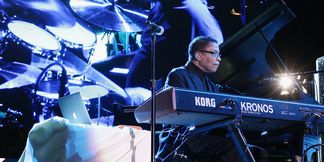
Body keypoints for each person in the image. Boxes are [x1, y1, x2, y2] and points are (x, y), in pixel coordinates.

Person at [156, 36, 269, 162]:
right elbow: (179, 113)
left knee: (260, 153)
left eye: (219, 54)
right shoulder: (178, 75)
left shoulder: (210, 84)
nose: (218, 58)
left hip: (208, 137)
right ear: (198, 55)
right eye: (214, 53)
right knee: (234, 148)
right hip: (186, 139)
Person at [91, 0, 224, 105]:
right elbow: (152, 53)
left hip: (159, 104)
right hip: (143, 99)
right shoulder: (164, 8)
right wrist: (113, 61)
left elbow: (209, 63)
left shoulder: (186, 11)